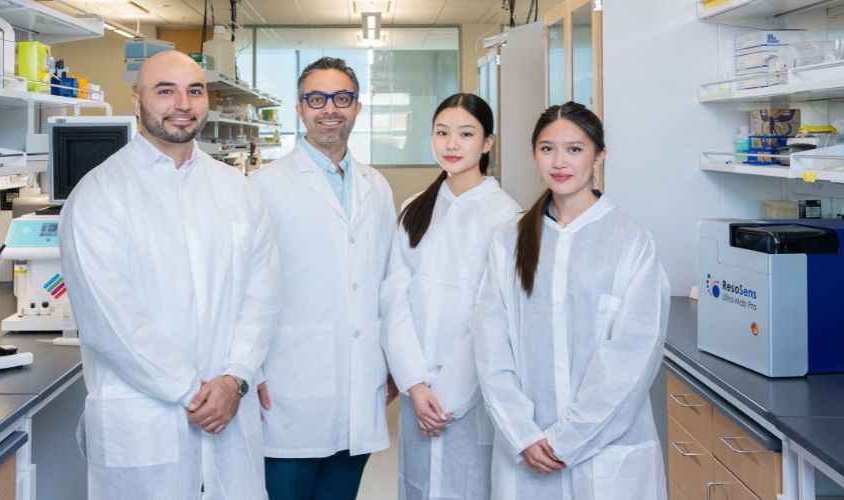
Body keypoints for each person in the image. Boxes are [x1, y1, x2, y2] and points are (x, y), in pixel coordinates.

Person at [60, 51, 280, 500]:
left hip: (228, 412)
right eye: (165, 90)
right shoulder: (99, 195)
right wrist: (193, 392)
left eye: (194, 90)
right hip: (146, 417)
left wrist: (234, 378)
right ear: (137, 102)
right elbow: (111, 321)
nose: (182, 103)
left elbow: (263, 294)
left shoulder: (237, 189)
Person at [473, 101, 670, 499]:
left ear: (599, 157)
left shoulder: (630, 241)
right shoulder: (509, 239)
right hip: (525, 452)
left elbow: (632, 357)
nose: (559, 161)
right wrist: (522, 433)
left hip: (605, 455)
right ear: (534, 155)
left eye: (575, 149)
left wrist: (569, 439)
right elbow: (492, 347)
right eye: (547, 149)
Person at [248, 56, 397, 500]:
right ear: (300, 109)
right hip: (287, 386)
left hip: (360, 380)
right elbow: (246, 285)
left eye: (341, 98)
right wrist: (247, 367)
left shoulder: (377, 186)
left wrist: (393, 363)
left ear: (357, 108)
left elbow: (388, 283)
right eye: (317, 98)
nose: (329, 108)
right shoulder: (264, 186)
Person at [381, 93, 519, 500]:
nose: (452, 144)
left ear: (488, 143)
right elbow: (394, 297)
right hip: (417, 392)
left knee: (469, 487)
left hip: (470, 393)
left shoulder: (506, 216)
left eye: (465, 134)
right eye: (442, 133)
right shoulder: (414, 209)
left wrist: (448, 397)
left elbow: (494, 317)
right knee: (418, 486)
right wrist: (415, 382)